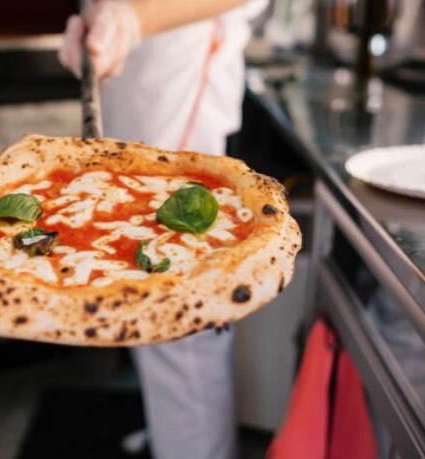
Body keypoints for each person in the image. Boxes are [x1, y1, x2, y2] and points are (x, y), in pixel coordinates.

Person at [59, 1, 268, 458]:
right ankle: (168, 431)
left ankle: (193, 444)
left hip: (178, 63)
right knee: (131, 278)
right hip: (136, 67)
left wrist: (133, 19)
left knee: (177, 312)